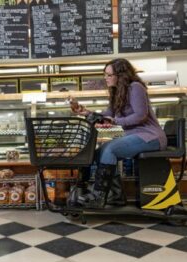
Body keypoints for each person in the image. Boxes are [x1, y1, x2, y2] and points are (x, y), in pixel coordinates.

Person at [70, 58, 167, 208]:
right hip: (135, 136)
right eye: (105, 75)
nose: (105, 78)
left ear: (121, 75)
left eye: (109, 75)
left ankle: (98, 196)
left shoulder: (135, 87)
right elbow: (107, 115)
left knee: (110, 149)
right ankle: (116, 195)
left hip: (150, 136)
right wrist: (85, 112)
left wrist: (115, 121)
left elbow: (140, 115)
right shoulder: (116, 93)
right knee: (98, 153)